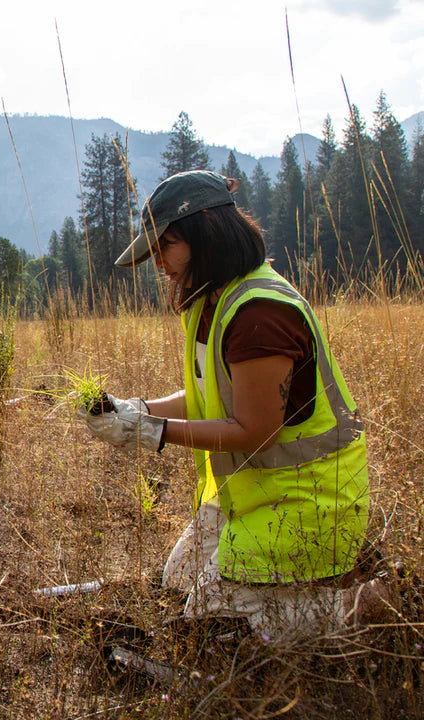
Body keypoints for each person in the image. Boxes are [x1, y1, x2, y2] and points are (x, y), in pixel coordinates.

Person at [80, 170, 376, 639]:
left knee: (216, 631)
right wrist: (136, 408)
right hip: (254, 496)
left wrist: (151, 432)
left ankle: (365, 603)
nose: (158, 264)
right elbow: (209, 399)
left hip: (310, 504)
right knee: (176, 585)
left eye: (164, 247)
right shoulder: (210, 301)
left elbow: (255, 430)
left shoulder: (260, 312)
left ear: (205, 235)